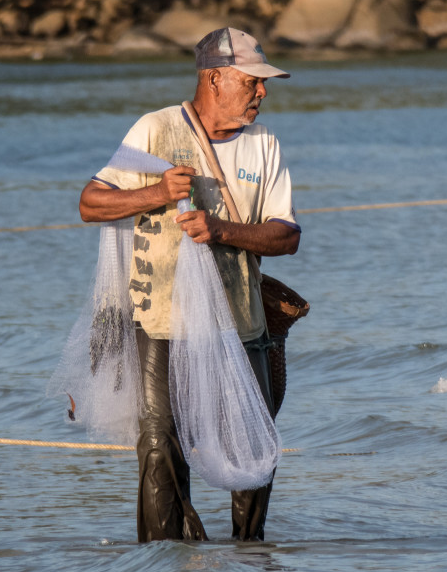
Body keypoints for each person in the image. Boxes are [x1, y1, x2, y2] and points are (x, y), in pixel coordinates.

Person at [78, 27, 300, 542]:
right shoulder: (154, 131)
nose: (262, 93)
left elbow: (286, 235)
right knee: (160, 443)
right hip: (160, 318)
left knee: (253, 443)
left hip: (241, 321)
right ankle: (163, 570)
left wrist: (221, 230)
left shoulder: (264, 144)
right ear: (215, 78)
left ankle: (250, 560)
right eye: (253, 82)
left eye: (264, 84)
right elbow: (91, 204)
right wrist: (156, 191)